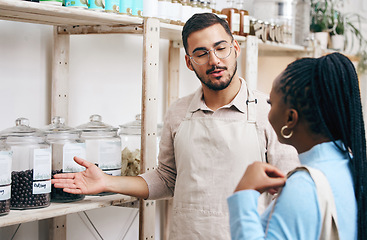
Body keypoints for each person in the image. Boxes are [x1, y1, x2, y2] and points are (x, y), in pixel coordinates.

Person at [52, 13, 299, 239]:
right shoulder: (179, 112)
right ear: (189, 62)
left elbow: (290, 190)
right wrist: (107, 182)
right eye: (201, 53)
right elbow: (167, 179)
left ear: (235, 49)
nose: (214, 61)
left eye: (221, 48)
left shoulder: (268, 111)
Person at [228, 52, 367, 240]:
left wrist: (245, 194)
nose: (268, 112)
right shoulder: (352, 166)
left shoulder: (305, 187)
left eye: (271, 103)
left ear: (290, 118)